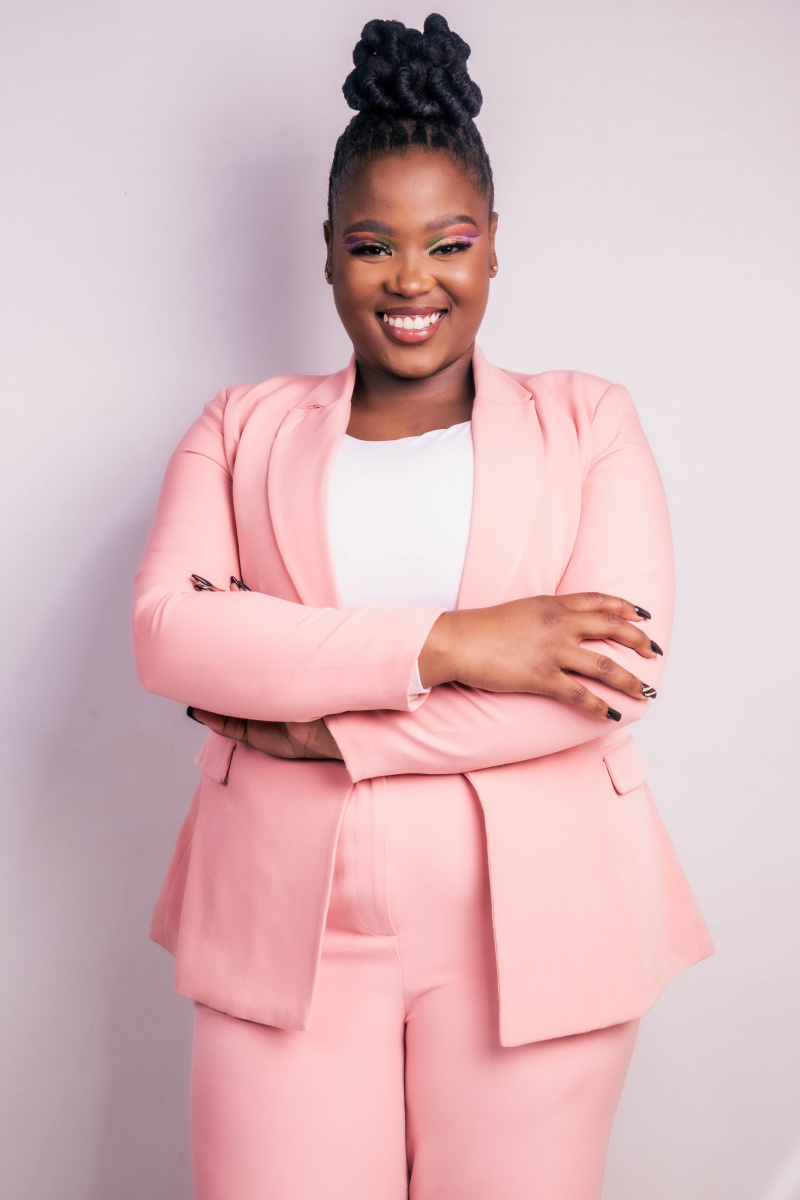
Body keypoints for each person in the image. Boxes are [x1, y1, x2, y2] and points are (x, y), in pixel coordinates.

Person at [132, 14, 714, 1199]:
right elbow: (173, 635)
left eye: (448, 243)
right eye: (371, 245)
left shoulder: (587, 422)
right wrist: (459, 644)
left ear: (492, 247)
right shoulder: (240, 427)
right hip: (279, 924)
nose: (411, 281)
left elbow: (605, 683)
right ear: (326, 253)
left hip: (539, 926)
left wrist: (325, 731)